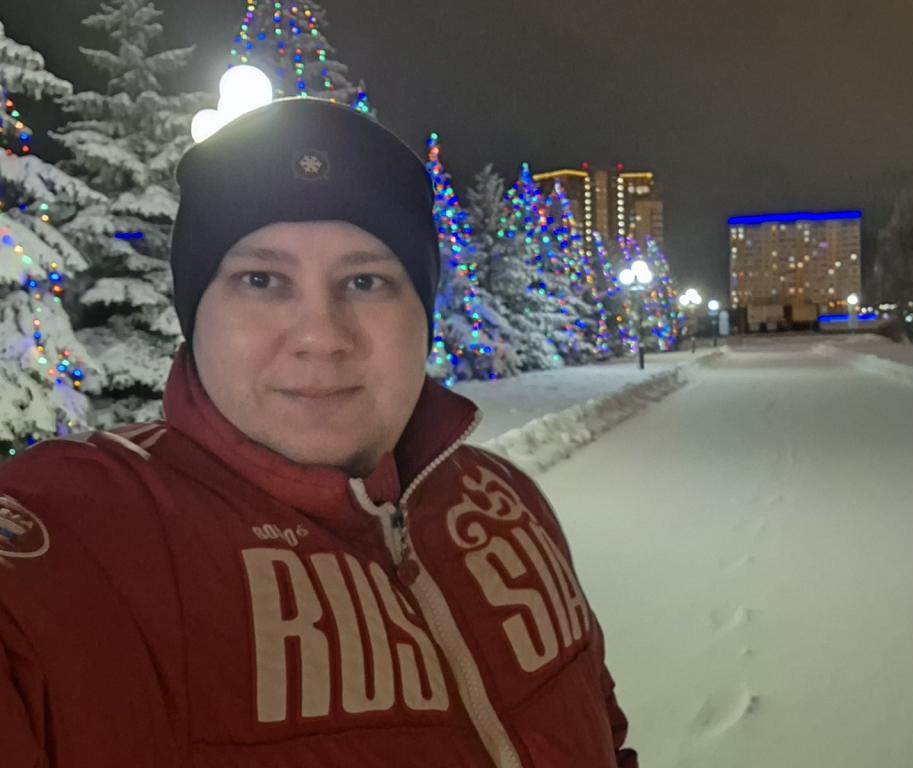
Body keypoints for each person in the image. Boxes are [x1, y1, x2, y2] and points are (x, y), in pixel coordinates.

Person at [0, 98, 637, 767]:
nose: (321, 335)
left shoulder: (504, 502)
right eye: (261, 279)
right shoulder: (92, 535)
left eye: (365, 280)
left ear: (422, 312)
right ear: (195, 313)